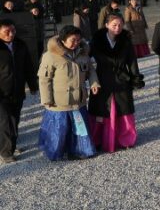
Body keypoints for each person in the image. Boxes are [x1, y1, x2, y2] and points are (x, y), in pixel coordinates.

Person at [37, 25, 100, 160]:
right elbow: (44, 79)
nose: (76, 43)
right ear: (63, 40)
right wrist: (46, 99)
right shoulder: (50, 56)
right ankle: (55, 152)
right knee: (59, 130)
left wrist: (94, 83)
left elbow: (90, 70)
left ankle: (79, 150)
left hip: (78, 100)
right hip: (59, 102)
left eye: (78, 40)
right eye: (73, 40)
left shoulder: (83, 52)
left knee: (79, 128)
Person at [88, 14, 144, 152]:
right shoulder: (96, 41)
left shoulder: (126, 41)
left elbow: (132, 61)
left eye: (120, 25)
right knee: (101, 109)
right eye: (114, 25)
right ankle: (98, 138)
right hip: (102, 78)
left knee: (123, 107)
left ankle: (125, 137)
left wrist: (135, 78)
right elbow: (86, 59)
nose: (117, 28)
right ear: (106, 25)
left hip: (121, 79)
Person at [0, 20, 38, 163]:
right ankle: (6, 152)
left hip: (17, 89)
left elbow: (28, 65)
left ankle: (11, 144)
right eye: (7, 32)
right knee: (5, 122)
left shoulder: (20, 44)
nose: (11, 34)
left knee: (15, 120)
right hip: (1, 92)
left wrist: (33, 85)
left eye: (13, 31)